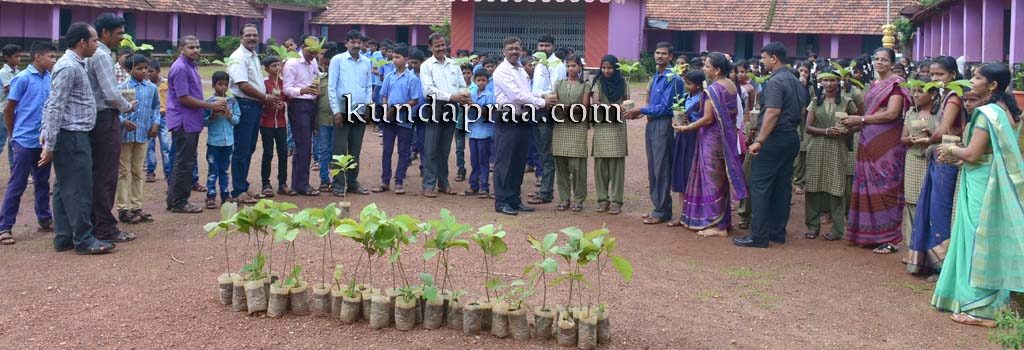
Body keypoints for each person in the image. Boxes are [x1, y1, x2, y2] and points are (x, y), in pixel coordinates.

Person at [931, 62, 1024, 328]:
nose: (971, 80)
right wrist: (963, 157)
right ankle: (993, 302)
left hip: (983, 184)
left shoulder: (985, 114)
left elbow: (972, 153)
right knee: (991, 238)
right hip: (991, 177)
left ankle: (980, 310)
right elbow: (986, 154)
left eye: (977, 77)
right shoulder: (1008, 111)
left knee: (976, 240)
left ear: (992, 85)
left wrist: (951, 150)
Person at [40, 23, 113, 254]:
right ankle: (84, 239)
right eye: (93, 41)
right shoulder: (69, 67)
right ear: (83, 42)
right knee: (80, 188)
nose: (96, 45)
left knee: (63, 188)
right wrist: (49, 144)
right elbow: (54, 106)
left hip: (73, 134)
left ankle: (64, 237)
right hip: (72, 136)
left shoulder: (73, 64)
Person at [733, 42, 809, 248]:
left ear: (774, 58)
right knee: (782, 186)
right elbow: (801, 111)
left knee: (760, 185)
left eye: (764, 58)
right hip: (791, 137)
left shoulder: (775, 82)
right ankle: (777, 232)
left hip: (774, 138)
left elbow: (773, 112)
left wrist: (759, 140)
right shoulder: (796, 81)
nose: (762, 62)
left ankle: (759, 235)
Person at [839, 47, 911, 254]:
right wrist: (856, 124)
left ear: (891, 62)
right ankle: (869, 233)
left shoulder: (896, 84)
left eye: (884, 60)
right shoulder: (874, 84)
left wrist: (861, 119)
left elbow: (892, 113)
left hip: (887, 142)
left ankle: (889, 237)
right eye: (877, 59)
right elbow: (875, 112)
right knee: (867, 184)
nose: (879, 62)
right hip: (868, 138)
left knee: (886, 185)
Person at [671, 53, 747, 237]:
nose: (704, 69)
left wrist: (685, 127)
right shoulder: (731, 85)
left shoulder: (713, 89)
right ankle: (723, 221)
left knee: (712, 180)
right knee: (721, 179)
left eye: (707, 66)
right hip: (726, 138)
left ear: (717, 69)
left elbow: (707, 119)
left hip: (711, 139)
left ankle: (717, 225)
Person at [906, 56, 965, 275]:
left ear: (953, 75)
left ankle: (942, 266)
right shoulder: (946, 96)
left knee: (940, 210)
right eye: (932, 74)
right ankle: (933, 262)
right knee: (934, 208)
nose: (935, 79)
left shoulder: (953, 97)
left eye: (939, 74)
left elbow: (945, 131)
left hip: (947, 158)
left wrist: (930, 139)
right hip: (941, 154)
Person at [0, 41, 56, 245]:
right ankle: (5, 227)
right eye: (51, 56)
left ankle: (44, 218)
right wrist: (14, 135)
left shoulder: (51, 79)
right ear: (38, 57)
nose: (54, 60)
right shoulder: (22, 78)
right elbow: (9, 109)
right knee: (17, 183)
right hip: (23, 140)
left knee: (42, 182)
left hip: (43, 140)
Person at [87, 13, 137, 244]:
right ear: (105, 33)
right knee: (107, 175)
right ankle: (105, 228)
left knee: (99, 173)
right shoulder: (102, 56)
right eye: (118, 34)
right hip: (105, 117)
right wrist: (127, 106)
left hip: (98, 117)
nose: (121, 38)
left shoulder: (94, 54)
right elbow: (110, 93)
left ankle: (96, 223)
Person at [492, 36, 556, 215]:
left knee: (519, 161)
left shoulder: (522, 70)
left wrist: (540, 98)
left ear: (521, 50)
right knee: (504, 161)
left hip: (523, 118)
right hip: (507, 118)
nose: (514, 51)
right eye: (510, 49)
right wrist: (542, 103)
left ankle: (514, 198)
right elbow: (516, 96)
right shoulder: (501, 71)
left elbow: (527, 93)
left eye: (517, 48)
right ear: (504, 51)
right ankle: (501, 201)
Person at [624, 42, 685, 225]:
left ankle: (661, 210)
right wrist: (641, 113)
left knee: (661, 167)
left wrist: (642, 110)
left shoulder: (673, 79)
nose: (659, 56)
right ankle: (659, 206)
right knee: (653, 167)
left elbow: (666, 108)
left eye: (664, 54)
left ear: (671, 57)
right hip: (652, 124)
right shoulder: (656, 77)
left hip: (664, 125)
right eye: (657, 53)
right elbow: (653, 105)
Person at [166, 36, 228, 214]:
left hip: (191, 120)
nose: (195, 50)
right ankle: (179, 202)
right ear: (181, 49)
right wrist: (210, 105)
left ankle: (174, 199)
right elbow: (183, 98)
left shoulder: (190, 66)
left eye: (198, 46)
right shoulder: (180, 68)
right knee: (184, 162)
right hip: (184, 120)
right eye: (191, 47)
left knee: (184, 160)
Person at [802, 68, 858, 241]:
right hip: (817, 146)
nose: (828, 84)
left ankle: (837, 229)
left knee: (836, 187)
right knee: (813, 187)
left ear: (838, 82)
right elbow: (808, 127)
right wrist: (826, 131)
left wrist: (846, 131)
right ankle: (812, 226)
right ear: (820, 82)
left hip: (838, 147)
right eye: (825, 80)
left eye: (832, 80)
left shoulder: (847, 102)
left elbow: (858, 123)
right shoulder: (814, 102)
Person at [227, 23, 281, 204]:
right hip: (244, 105)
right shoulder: (239, 57)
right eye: (248, 35)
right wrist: (265, 97)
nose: (252, 38)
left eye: (255, 35)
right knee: (242, 149)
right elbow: (243, 85)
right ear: (241, 37)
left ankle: (243, 185)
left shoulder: (254, 56)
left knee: (249, 148)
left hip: (254, 106)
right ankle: (238, 191)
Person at [419, 32, 471, 198]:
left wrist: (465, 95)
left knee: (445, 148)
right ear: (430, 47)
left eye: (443, 45)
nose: (441, 48)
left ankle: (443, 183)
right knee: (431, 148)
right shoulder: (426, 66)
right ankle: (428, 184)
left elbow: (462, 85)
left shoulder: (454, 64)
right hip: (435, 107)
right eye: (437, 46)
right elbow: (428, 89)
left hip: (452, 108)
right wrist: (451, 96)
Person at [114, 54, 159, 225]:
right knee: (123, 171)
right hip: (125, 136)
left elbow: (155, 107)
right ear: (128, 69)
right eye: (139, 68)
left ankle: (137, 206)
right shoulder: (121, 88)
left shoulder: (151, 88)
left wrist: (155, 123)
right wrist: (123, 122)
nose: (143, 71)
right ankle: (123, 208)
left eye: (145, 68)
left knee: (138, 171)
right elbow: (115, 111)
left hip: (143, 135)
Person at [328, 30, 373, 197]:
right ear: (346, 43)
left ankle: (353, 183)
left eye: (358, 42)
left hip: (359, 111)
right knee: (339, 150)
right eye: (352, 42)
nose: (356, 45)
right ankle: (338, 184)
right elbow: (331, 87)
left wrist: (369, 106)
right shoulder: (337, 60)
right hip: (342, 110)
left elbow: (368, 86)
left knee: (355, 150)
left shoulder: (366, 62)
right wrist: (336, 111)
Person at [585, 55, 629, 215]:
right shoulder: (598, 83)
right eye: (603, 67)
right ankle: (602, 200)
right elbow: (595, 103)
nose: (606, 71)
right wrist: (612, 107)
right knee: (600, 165)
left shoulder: (623, 83)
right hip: (602, 126)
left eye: (609, 67)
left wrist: (623, 108)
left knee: (617, 166)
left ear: (615, 68)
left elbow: (627, 103)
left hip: (617, 128)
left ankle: (617, 201)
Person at [374, 46, 420, 195]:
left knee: (403, 151)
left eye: (398, 57)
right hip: (389, 118)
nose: (394, 60)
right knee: (386, 150)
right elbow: (384, 95)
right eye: (393, 57)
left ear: (406, 59)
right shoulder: (389, 76)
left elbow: (414, 99)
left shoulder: (412, 78)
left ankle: (399, 181)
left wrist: (398, 108)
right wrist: (387, 108)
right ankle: (385, 180)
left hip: (404, 119)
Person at [283, 36, 323, 196]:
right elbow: (286, 88)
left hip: (311, 104)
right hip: (298, 104)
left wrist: (316, 88)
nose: (313, 55)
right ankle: (302, 184)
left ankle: (299, 182)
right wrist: (302, 90)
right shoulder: (292, 63)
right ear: (302, 47)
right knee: (303, 145)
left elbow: (315, 77)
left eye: (316, 52)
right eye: (311, 52)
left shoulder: (313, 62)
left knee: (306, 145)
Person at [551, 54, 589, 211]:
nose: (571, 69)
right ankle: (564, 198)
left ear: (579, 67)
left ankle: (579, 199)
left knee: (577, 166)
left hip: (578, 127)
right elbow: (554, 105)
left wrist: (564, 109)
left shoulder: (585, 85)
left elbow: (584, 107)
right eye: (568, 66)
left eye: (574, 65)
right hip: (560, 128)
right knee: (561, 165)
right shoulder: (559, 84)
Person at [670, 70, 704, 219]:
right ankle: (683, 213)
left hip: (694, 141)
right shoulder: (683, 98)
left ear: (697, 86)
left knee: (692, 175)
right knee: (681, 174)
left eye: (689, 84)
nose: (686, 86)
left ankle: (695, 214)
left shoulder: (702, 100)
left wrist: (689, 123)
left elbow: (703, 121)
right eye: (685, 82)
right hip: (681, 139)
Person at [528, 34, 557, 205]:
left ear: (553, 46)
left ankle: (546, 192)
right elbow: (538, 90)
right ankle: (543, 189)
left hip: (547, 112)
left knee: (547, 153)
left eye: (547, 45)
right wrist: (539, 95)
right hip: (536, 110)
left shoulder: (556, 65)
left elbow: (553, 92)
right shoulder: (538, 64)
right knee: (540, 151)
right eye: (541, 45)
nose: (544, 48)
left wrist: (537, 95)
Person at [204, 72, 241, 208]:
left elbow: (237, 121)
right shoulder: (209, 102)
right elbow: (203, 122)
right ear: (214, 85)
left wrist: (229, 114)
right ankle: (211, 195)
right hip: (214, 142)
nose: (223, 88)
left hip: (228, 142)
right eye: (220, 84)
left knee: (225, 169)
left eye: (226, 84)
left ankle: (225, 194)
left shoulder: (232, 102)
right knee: (213, 169)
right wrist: (212, 115)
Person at [258, 55, 291, 197]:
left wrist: (283, 104)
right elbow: (259, 99)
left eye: (279, 65)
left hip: (281, 123)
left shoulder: (284, 83)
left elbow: (289, 100)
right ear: (266, 69)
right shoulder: (263, 83)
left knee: (283, 153)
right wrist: (268, 102)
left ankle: (282, 183)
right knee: (268, 153)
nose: (278, 68)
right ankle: (266, 183)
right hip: (266, 123)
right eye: (274, 66)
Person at [465, 69, 495, 198]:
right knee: (473, 160)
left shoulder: (490, 95)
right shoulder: (471, 93)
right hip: (473, 132)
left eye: (483, 80)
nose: (481, 82)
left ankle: (484, 186)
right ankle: (473, 185)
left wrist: (474, 106)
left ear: (487, 81)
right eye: (478, 80)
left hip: (485, 132)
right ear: (474, 80)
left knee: (483, 160)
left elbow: (489, 113)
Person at [315, 42, 338, 192]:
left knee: (337, 151)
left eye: (331, 64)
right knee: (323, 151)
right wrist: (314, 122)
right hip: (322, 120)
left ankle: (337, 180)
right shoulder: (319, 80)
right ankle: (324, 180)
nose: (329, 67)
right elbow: (315, 102)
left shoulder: (342, 80)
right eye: (327, 64)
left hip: (338, 121)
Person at [145, 59, 171, 183]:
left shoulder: (166, 84)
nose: (149, 74)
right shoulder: (146, 84)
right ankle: (150, 172)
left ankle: (168, 172)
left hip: (164, 116)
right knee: (150, 146)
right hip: (149, 117)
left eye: (151, 71)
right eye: (147, 71)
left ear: (158, 71)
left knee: (165, 145)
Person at [1, 44, 23, 163]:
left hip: (15, 111)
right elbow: (10, 88)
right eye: (16, 56)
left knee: (12, 141)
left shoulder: (19, 72)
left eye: (20, 56)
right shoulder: (3, 73)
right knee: (1, 142)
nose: (19, 59)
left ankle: (13, 170)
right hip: (4, 111)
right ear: (7, 58)